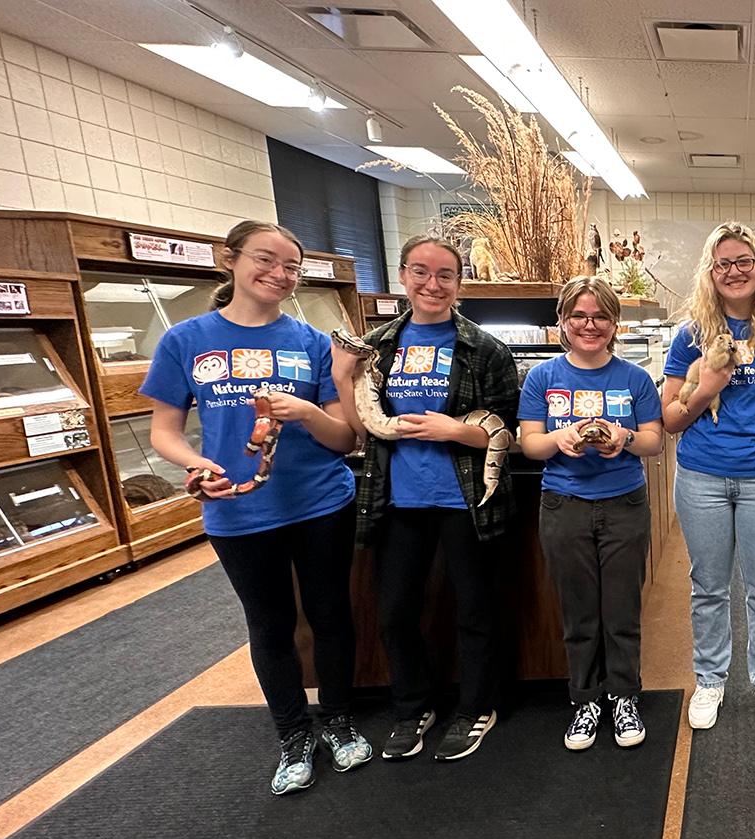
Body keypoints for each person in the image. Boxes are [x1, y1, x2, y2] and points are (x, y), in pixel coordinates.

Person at [142, 219, 364, 796]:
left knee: (331, 614)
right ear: (231, 260)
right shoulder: (186, 340)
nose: (279, 275)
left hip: (321, 501)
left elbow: (345, 438)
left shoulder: (314, 343)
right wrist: (196, 465)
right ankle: (292, 734)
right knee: (268, 625)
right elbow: (165, 431)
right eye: (267, 260)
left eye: (292, 267)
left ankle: (338, 720)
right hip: (238, 511)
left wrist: (307, 412)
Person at [337, 236, 521, 763]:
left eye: (445, 275)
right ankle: (411, 705)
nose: (432, 284)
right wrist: (339, 378)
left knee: (475, 609)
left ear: (459, 283)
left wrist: (454, 430)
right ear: (403, 276)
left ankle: (475, 708)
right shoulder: (376, 346)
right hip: (398, 498)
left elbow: (504, 429)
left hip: (467, 499)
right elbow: (361, 428)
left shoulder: (485, 349)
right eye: (421, 272)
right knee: (394, 611)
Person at [660, 222, 755, 731]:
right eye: (722, 263)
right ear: (711, 272)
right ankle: (710, 679)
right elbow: (670, 420)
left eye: (743, 261)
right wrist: (706, 389)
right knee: (708, 586)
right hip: (701, 475)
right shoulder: (691, 335)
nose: (734, 271)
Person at [520, 277, 664, 749]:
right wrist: (558, 440)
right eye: (579, 316)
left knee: (621, 608)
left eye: (600, 316)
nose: (589, 325)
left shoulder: (635, 378)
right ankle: (584, 699)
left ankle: (624, 696)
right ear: (563, 322)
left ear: (614, 323)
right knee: (579, 611)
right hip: (563, 505)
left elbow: (654, 441)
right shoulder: (543, 378)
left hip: (624, 503)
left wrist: (623, 439)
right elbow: (530, 443)